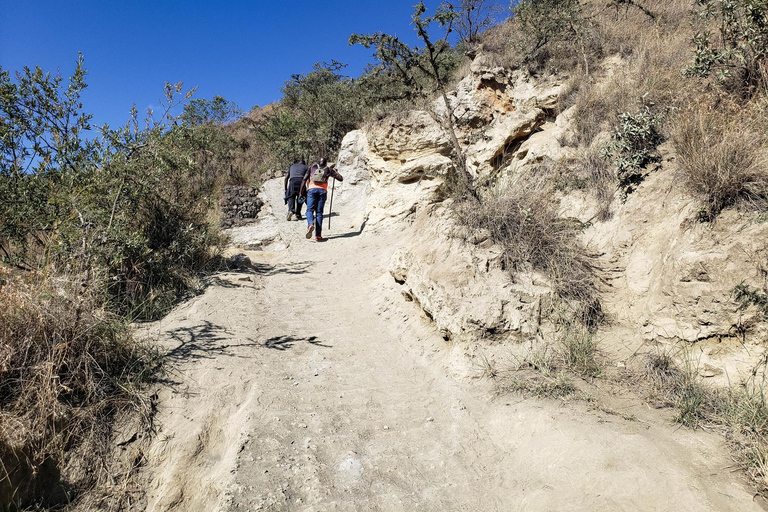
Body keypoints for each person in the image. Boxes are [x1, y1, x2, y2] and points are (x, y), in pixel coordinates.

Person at [301, 157, 343, 241]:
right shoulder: (329, 169)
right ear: (326, 163)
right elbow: (341, 179)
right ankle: (318, 235)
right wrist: (336, 172)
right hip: (322, 191)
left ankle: (310, 224)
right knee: (319, 213)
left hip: (312, 190)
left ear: (317, 162)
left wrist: (301, 193)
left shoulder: (312, 167)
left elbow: (304, 179)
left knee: (309, 211)